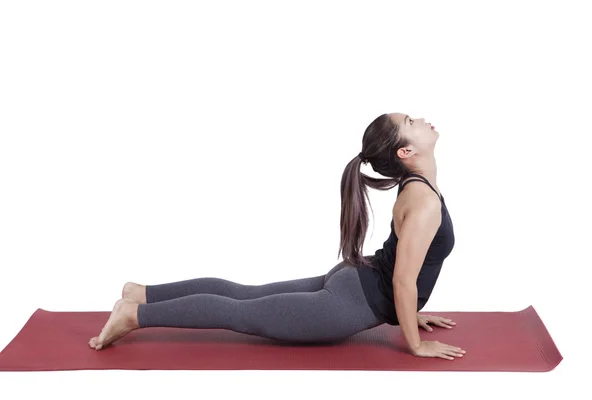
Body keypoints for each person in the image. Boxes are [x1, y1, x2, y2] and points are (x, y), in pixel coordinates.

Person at [88, 112, 466, 361]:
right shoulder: (423, 201)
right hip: (349, 302)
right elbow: (402, 278)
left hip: (354, 280)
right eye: (413, 121)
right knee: (241, 311)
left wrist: (408, 312)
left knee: (243, 294)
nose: (423, 119)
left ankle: (142, 292)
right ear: (406, 150)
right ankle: (136, 313)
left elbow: (403, 272)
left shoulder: (418, 187)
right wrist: (415, 345)